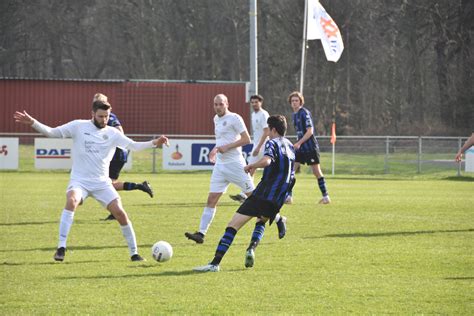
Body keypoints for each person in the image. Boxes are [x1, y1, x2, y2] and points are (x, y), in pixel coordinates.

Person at [13, 100, 169, 262]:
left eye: (107, 116)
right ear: (92, 114)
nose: (104, 120)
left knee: (120, 214)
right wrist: (33, 122)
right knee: (72, 200)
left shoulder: (113, 133)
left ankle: (134, 254)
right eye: (100, 116)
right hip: (80, 180)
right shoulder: (78, 126)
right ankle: (61, 247)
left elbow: (134, 146)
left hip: (102, 183)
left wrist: (155, 143)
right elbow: (52, 133)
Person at [193, 115, 295, 272]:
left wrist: (251, 165)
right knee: (261, 220)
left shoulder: (272, 143)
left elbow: (267, 161)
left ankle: (214, 263)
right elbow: (292, 176)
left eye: (268, 130)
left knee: (232, 226)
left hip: (263, 193)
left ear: (273, 129)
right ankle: (251, 249)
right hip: (278, 198)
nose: (267, 133)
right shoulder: (290, 146)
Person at [92, 94, 154, 221]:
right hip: (113, 154)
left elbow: (120, 132)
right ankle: (139, 187)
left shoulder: (111, 117)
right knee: (110, 184)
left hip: (116, 154)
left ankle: (116, 210)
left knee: (106, 185)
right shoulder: (96, 118)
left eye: (99, 102)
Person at [288, 91, 330, 204]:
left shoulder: (304, 113)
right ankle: (288, 197)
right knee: (291, 170)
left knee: (316, 172)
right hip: (300, 148)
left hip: (310, 147)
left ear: (301, 102)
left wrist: (299, 143)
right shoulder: (294, 115)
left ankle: (326, 197)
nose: (294, 103)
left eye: (296, 100)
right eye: (292, 101)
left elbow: (310, 131)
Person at [230, 94, 270, 203]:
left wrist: (258, 147)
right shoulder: (253, 114)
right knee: (251, 169)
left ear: (260, 102)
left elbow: (267, 131)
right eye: (252, 102)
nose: (254, 104)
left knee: (250, 169)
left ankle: (245, 194)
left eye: (256, 102)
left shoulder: (264, 114)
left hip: (262, 146)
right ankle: (246, 194)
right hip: (257, 145)